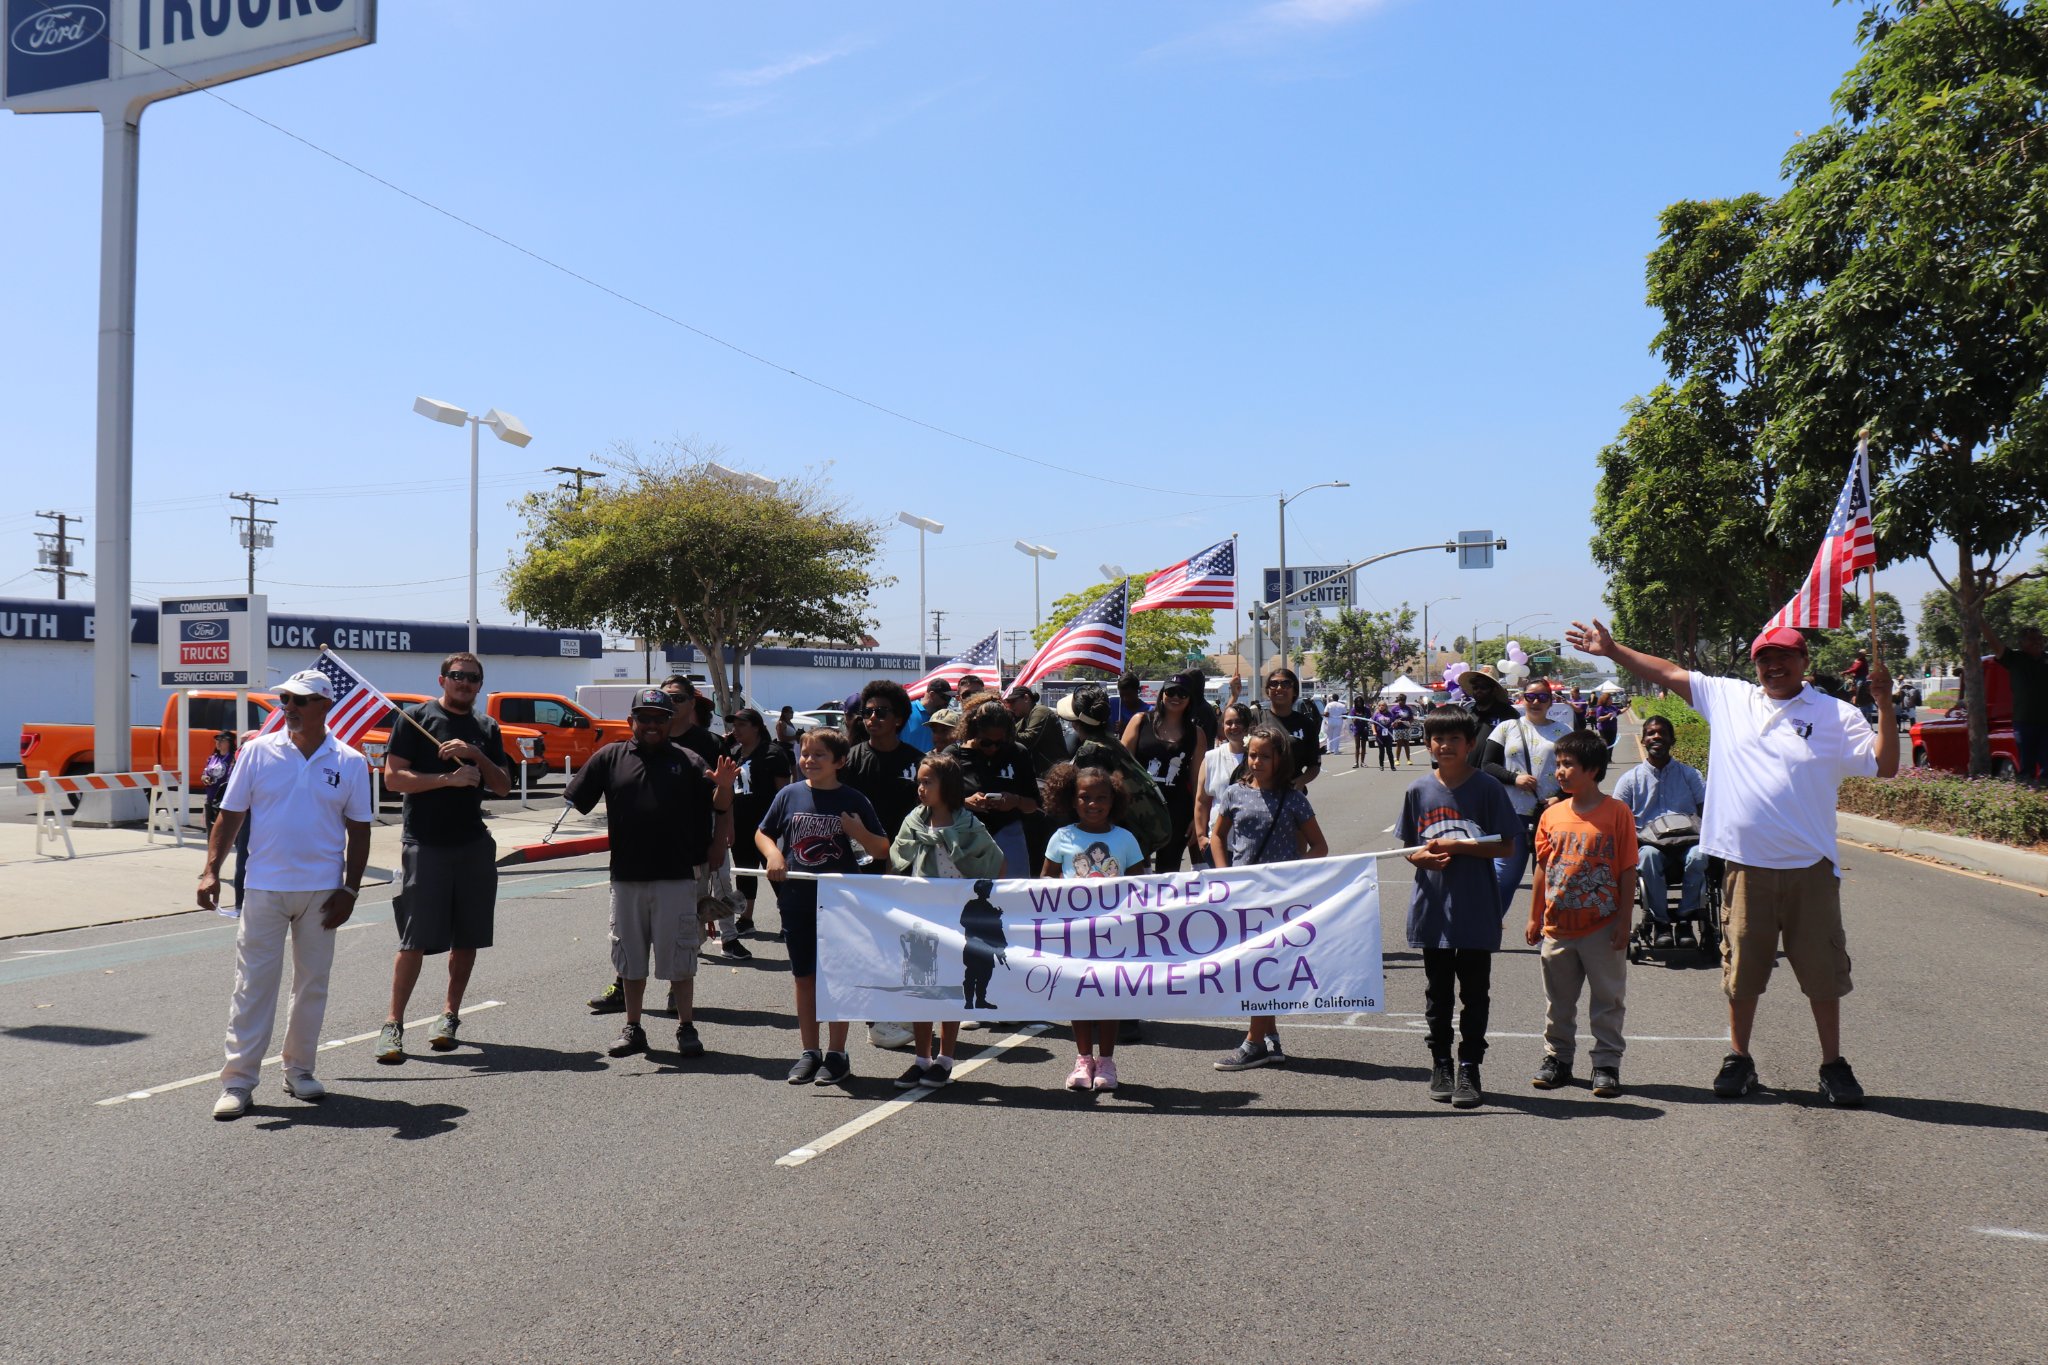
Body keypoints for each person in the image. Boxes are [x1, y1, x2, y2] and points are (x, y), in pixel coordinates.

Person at [1566, 617, 1896, 1105]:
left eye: (1784, 656)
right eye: (1764, 658)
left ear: (1805, 663)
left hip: (1810, 869)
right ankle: (1740, 1059)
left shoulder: (1835, 714)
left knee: (1822, 973)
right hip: (1745, 867)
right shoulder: (1730, 698)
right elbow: (1668, 673)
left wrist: (1885, 705)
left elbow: (1884, 766)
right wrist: (1614, 652)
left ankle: (1833, 1065)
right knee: (1741, 972)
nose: (1773, 665)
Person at [197, 668, 373, 1120]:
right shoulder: (257, 752)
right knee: (253, 985)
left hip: (322, 892)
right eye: (285, 700)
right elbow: (229, 815)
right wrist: (210, 870)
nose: (288, 707)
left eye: (299, 700)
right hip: (263, 887)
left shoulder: (350, 761)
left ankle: (300, 1070)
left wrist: (350, 889)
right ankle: (238, 1081)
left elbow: (359, 829)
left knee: (312, 985)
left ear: (324, 706)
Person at [564, 689, 737, 1062]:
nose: (653, 725)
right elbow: (577, 800)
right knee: (630, 956)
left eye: (660, 718)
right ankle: (633, 1027)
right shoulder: (610, 757)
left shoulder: (688, 760)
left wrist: (724, 785)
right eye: (644, 718)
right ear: (631, 722)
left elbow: (719, 805)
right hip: (626, 877)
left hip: (676, 876)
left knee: (680, 954)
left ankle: (686, 1026)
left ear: (670, 722)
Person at [375, 651, 514, 1063]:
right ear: (442, 680)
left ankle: (449, 1015)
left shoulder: (487, 727)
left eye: (472, 678)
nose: (464, 683)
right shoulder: (415, 719)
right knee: (414, 939)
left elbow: (503, 786)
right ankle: (393, 1024)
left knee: (466, 936)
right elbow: (393, 778)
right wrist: (447, 780)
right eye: (457, 676)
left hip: (472, 845)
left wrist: (477, 755)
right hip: (426, 844)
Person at [1398, 707, 1520, 1110]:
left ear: (1471, 745)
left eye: (1454, 739)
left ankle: (1470, 1065)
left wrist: (1457, 846)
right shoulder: (1418, 790)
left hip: (1475, 907)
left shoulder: (1487, 788)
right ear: (1427, 743)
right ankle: (1440, 1064)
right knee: (1438, 994)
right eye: (1437, 738)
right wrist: (1420, 859)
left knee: (1475, 993)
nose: (1444, 745)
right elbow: (1409, 849)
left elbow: (1505, 845)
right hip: (1433, 909)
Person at [758, 728, 892, 1086]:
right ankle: (809, 1051)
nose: (809, 761)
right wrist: (773, 854)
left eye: (819, 755)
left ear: (840, 762)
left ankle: (837, 1053)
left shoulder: (854, 799)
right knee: (804, 977)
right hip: (797, 900)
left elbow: (881, 848)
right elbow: (763, 832)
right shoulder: (788, 795)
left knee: (838, 977)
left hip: (841, 903)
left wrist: (856, 832)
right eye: (805, 754)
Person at [1210, 722, 1328, 1071]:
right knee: (1256, 967)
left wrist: (1292, 871)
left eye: (1265, 756)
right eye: (1252, 755)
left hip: (1279, 898)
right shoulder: (1234, 793)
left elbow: (1320, 846)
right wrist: (1223, 873)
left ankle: (1253, 1042)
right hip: (1243, 895)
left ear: (1280, 760)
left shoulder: (1292, 799)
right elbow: (1218, 837)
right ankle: (1270, 1037)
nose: (1256, 762)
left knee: (1263, 968)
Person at [1526, 730, 1636, 1097]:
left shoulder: (1617, 813)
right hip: (1559, 926)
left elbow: (1626, 870)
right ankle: (1557, 1058)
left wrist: (1624, 922)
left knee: (1607, 1000)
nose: (1560, 771)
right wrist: (1534, 915)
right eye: (1558, 764)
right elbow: (1542, 867)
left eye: (1568, 764)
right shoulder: (1551, 814)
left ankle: (1606, 1064)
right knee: (1558, 1000)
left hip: (1602, 927)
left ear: (1593, 769)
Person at [889, 752, 1004, 1089]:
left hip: (958, 918)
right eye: (919, 781)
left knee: (952, 984)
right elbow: (896, 859)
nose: (920, 787)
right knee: (921, 985)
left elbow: (996, 860)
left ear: (948, 786)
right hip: (922, 915)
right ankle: (921, 1058)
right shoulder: (914, 822)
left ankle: (946, 1058)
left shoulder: (968, 825)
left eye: (928, 781)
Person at [1041, 763, 1147, 1092]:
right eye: (1085, 797)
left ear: (1113, 801)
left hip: (1114, 932)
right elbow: (1045, 876)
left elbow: (1141, 882)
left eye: (1101, 797)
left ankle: (1107, 1061)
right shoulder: (1062, 837)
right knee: (1080, 994)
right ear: (1071, 800)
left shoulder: (1125, 838)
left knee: (1108, 996)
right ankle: (1083, 1059)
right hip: (1076, 932)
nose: (1093, 803)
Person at [1479, 676, 1574, 918]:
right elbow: (1487, 764)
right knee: (1504, 878)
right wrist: (1514, 778)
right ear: (1523, 699)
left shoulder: (1563, 732)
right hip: (1512, 815)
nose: (1536, 702)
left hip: (1551, 815)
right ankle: (1486, 927)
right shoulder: (1507, 728)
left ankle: (1546, 931)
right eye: (1530, 696)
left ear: (1551, 701)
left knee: (1548, 879)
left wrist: (1560, 797)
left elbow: (1577, 770)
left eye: (1542, 697)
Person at [1613, 713, 1708, 945]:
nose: (1657, 737)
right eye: (1651, 733)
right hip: (1651, 848)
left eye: (1662, 733)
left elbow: (1707, 811)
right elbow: (1616, 820)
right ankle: (1661, 923)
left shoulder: (1690, 775)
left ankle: (1685, 920)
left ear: (1671, 740)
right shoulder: (1630, 780)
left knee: (1699, 855)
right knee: (1647, 856)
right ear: (1643, 740)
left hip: (1687, 845)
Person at [1121, 676, 1210, 873]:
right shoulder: (1140, 721)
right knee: (1137, 873)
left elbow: (1198, 780)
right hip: (1138, 809)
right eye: (1171, 691)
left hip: (1177, 812)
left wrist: (1197, 819)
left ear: (1190, 699)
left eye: (1182, 693)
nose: (1175, 697)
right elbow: (1121, 766)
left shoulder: (1196, 734)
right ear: (1162, 695)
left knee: (1168, 874)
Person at [946, 701, 1043, 876]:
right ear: (972, 731)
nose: (993, 748)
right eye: (986, 742)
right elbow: (933, 802)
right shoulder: (952, 755)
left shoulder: (1018, 753)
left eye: (1000, 743)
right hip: (964, 838)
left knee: (1012, 895)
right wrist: (965, 802)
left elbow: (1034, 804)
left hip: (1008, 835)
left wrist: (1015, 801)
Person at [725, 707, 792, 939]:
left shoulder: (773, 753)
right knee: (744, 872)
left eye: (742, 724)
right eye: (734, 725)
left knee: (776, 873)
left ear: (756, 727)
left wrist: (783, 825)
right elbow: (730, 791)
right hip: (741, 825)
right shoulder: (734, 753)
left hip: (768, 827)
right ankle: (745, 918)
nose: (736, 729)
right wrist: (729, 824)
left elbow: (783, 792)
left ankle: (790, 919)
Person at [1981, 622, 2047, 785]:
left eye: (2041, 639)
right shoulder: (2015, 659)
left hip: (2047, 723)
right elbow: (1995, 644)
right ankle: (2027, 796)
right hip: (2024, 723)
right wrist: (1981, 622)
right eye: (2032, 639)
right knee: (2027, 768)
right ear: (2021, 644)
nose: (2037, 642)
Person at [1191, 701, 1255, 868]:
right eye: (1229, 722)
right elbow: (1202, 801)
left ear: (1249, 725)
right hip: (1219, 844)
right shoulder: (1211, 757)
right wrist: (1201, 836)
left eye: (1239, 722)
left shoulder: (1260, 756)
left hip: (1254, 843)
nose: (1234, 727)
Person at [199, 729, 251, 910]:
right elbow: (205, 772)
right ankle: (210, 868)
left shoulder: (234, 759)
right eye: (217, 740)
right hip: (213, 800)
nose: (219, 743)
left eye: (223, 740)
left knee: (238, 844)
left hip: (231, 803)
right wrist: (205, 778)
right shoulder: (213, 758)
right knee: (212, 835)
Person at [1256, 667, 1322, 789]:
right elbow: (1224, 730)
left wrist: (1300, 782)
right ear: (1267, 690)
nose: (1279, 688)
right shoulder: (1256, 718)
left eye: (1286, 684)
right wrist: (1234, 696)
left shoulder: (1306, 724)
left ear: (1295, 691)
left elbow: (1314, 765)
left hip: (1291, 796)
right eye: (1274, 684)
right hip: (1258, 793)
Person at [1006, 683, 1070, 776]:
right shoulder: (1024, 718)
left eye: (1013, 702)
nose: (1010, 706)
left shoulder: (1040, 711)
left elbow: (1028, 739)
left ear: (1026, 698)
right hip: (1043, 773)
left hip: (1055, 772)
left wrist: (1004, 731)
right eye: (1008, 703)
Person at [902, 678, 953, 752]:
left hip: (932, 762)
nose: (947, 702)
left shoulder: (943, 718)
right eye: (945, 698)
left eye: (950, 698)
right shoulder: (906, 711)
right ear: (932, 694)